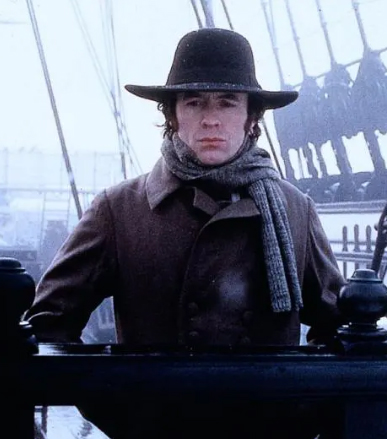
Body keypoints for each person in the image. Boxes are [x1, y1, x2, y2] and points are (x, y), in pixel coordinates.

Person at [25, 27, 346, 438]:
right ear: (172, 116)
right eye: (194, 102)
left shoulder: (295, 210)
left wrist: (296, 415)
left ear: (252, 117)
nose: (211, 118)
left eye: (227, 102)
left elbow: (342, 332)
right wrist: (122, 410)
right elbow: (48, 327)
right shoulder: (118, 210)